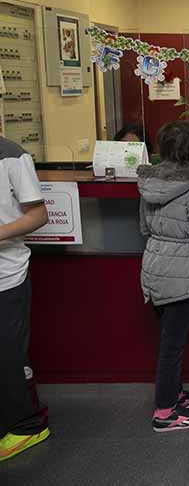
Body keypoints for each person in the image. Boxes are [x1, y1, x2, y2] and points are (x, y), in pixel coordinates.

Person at [138, 121, 189, 433]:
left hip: (153, 267)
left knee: (170, 340)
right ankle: (166, 411)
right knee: (172, 346)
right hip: (182, 275)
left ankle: (175, 393)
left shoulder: (148, 184)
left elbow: (144, 228)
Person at [0, 138, 50, 461]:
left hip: (6, 275)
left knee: (8, 356)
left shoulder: (12, 156)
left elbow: (38, 215)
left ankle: (27, 425)